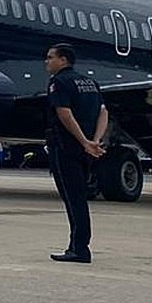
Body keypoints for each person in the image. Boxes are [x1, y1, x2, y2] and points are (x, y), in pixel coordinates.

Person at [45, 43, 106, 264]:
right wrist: (95, 140)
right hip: (86, 149)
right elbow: (103, 112)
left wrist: (82, 141)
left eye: (50, 57)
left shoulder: (59, 82)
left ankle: (79, 248)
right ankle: (79, 245)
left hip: (65, 147)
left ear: (63, 60)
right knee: (79, 198)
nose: (47, 61)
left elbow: (64, 114)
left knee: (73, 199)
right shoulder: (90, 82)